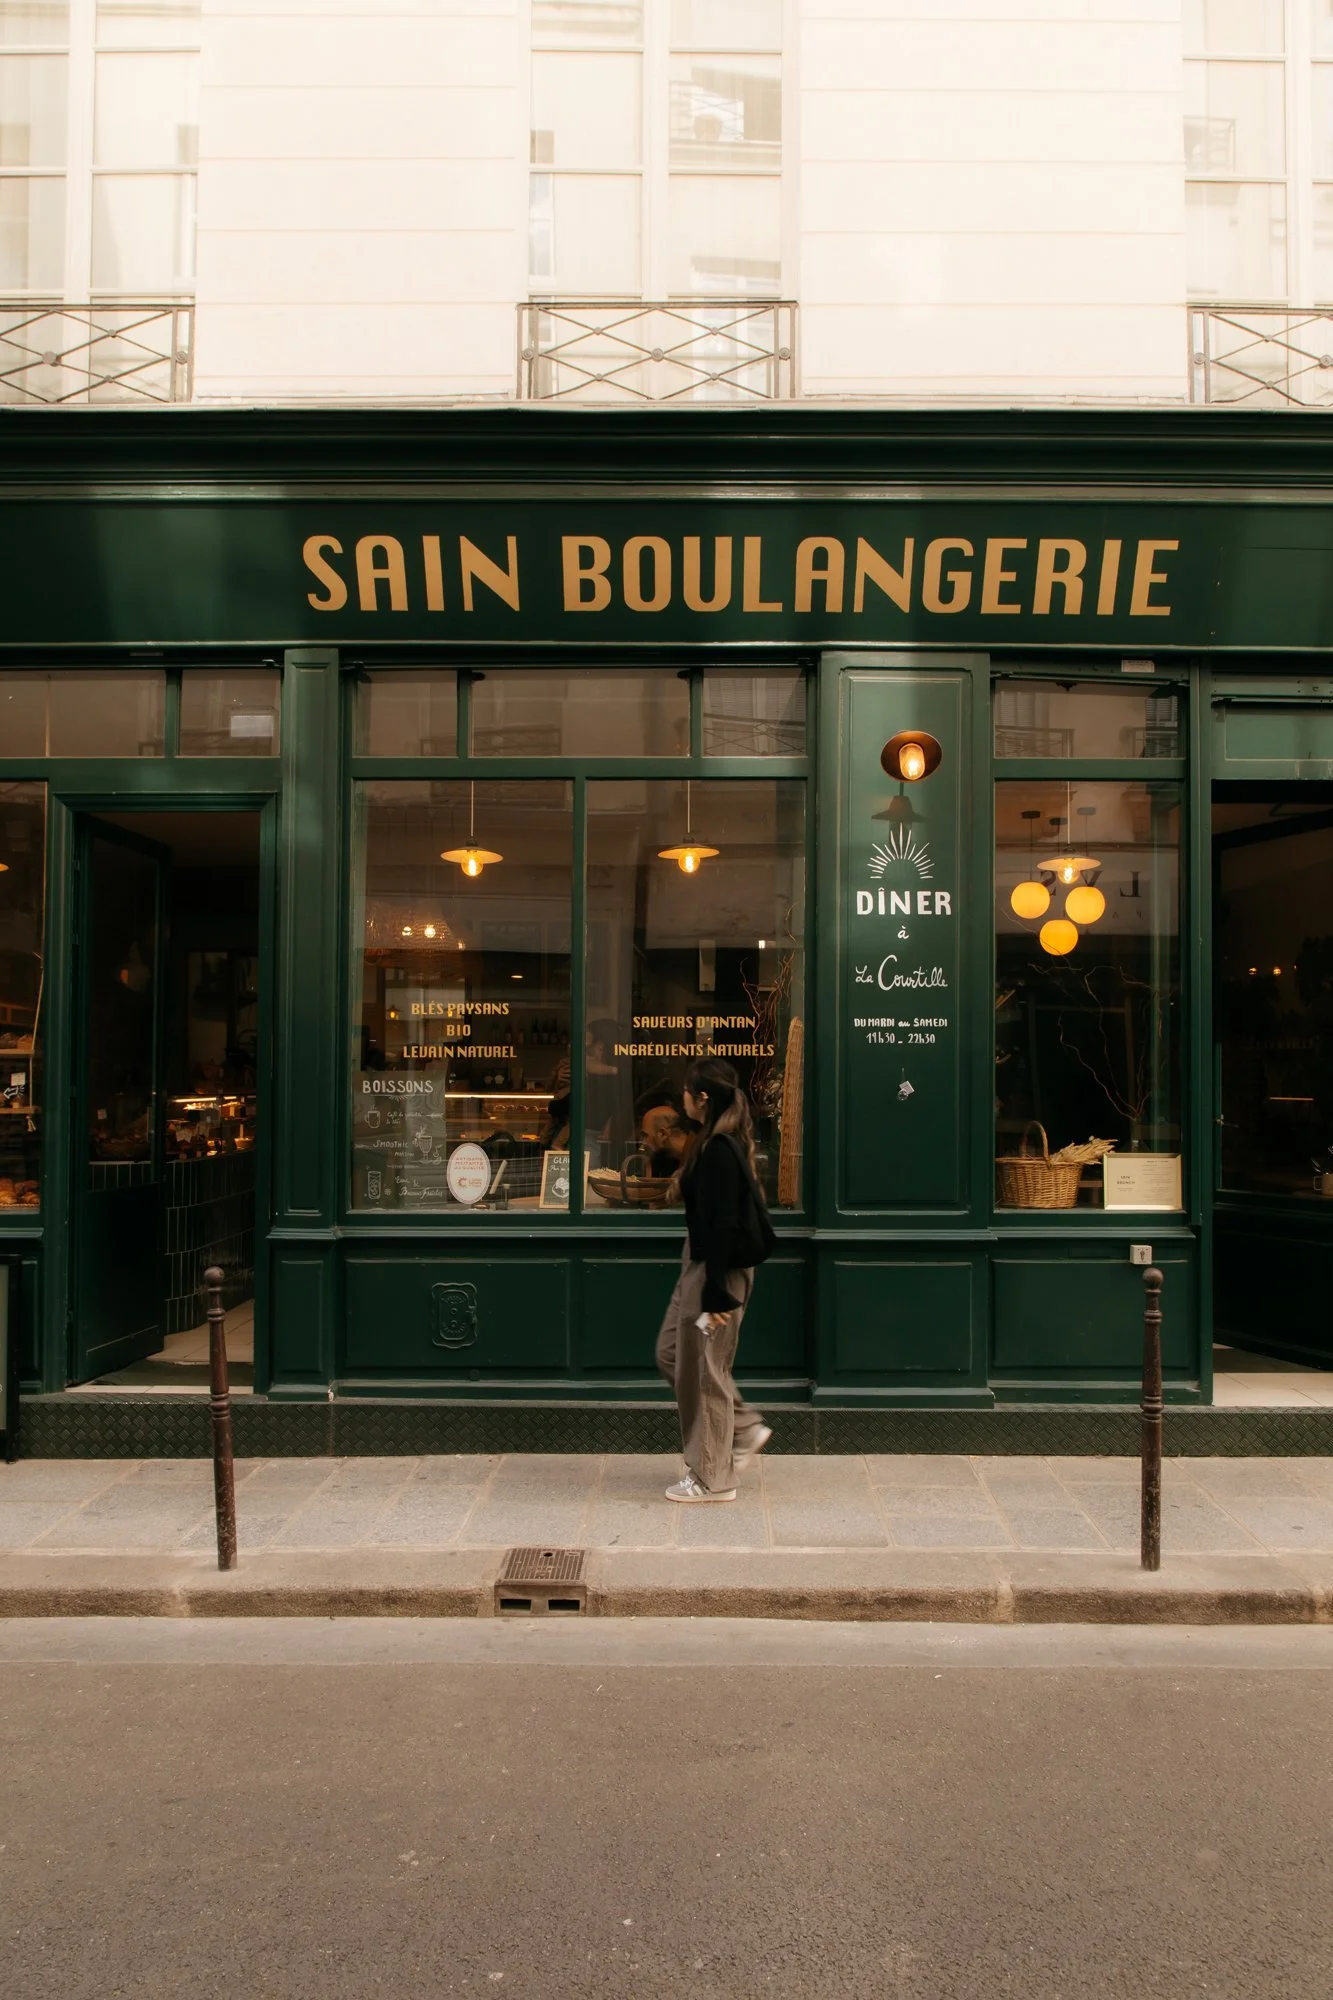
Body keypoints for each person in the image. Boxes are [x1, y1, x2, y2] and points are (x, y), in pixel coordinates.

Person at [655, 1056, 773, 1503]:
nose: (682, 1096)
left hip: (717, 1270)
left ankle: (711, 1478)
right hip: (700, 1263)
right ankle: (742, 1429)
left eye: (687, 1089)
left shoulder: (721, 1148)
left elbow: (724, 1223)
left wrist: (716, 1292)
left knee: (706, 1370)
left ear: (701, 1098)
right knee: (672, 1353)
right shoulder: (709, 1140)